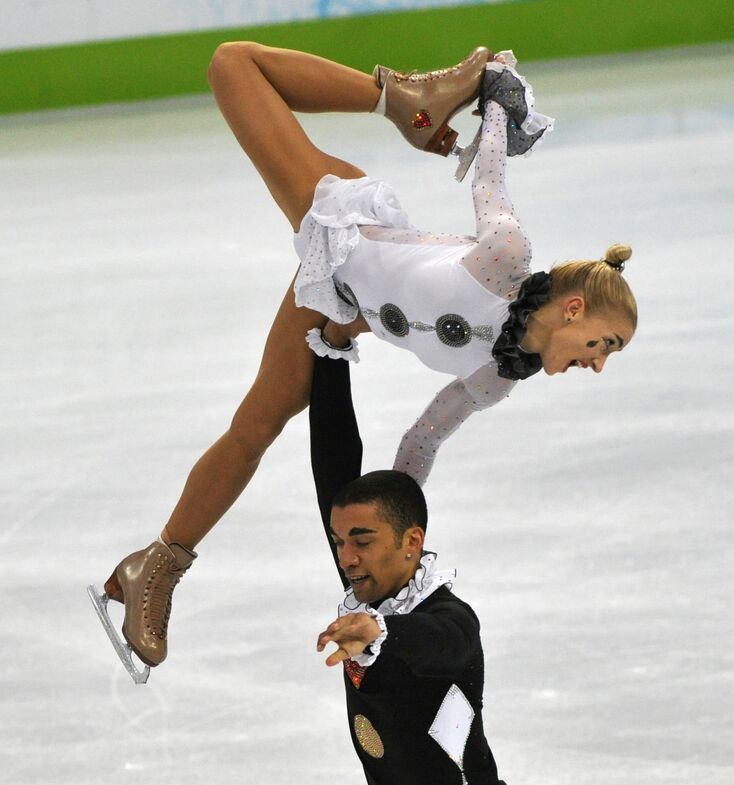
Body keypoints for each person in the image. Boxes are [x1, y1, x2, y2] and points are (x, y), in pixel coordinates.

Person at [88, 41, 638, 673]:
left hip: (339, 304)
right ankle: (398, 96)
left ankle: (153, 567)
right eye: (604, 345)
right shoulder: (505, 258)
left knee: (255, 428)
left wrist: (395, 554)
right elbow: (491, 178)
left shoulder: (495, 376)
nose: (598, 364)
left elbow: (423, 440)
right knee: (232, 68)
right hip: (345, 228)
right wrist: (492, 111)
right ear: (574, 310)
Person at [310, 352, 547, 785]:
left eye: (362, 539)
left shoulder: (440, 618)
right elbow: (332, 463)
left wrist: (381, 635)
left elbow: (444, 645)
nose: (347, 557)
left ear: (412, 543)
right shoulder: (367, 592)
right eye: (339, 542)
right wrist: (327, 350)